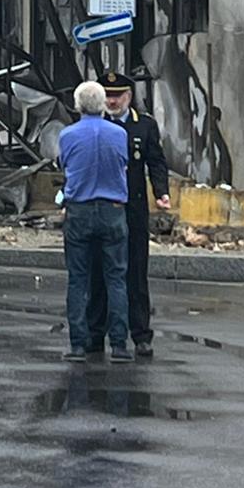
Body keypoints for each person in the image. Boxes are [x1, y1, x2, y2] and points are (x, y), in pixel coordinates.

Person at [86, 71, 171, 357]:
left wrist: (161, 192)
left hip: (133, 208)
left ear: (129, 97)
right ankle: (95, 333)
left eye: (117, 96)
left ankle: (141, 334)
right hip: (103, 206)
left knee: (135, 272)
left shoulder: (144, 126)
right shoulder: (93, 126)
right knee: (98, 271)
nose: (112, 101)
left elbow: (156, 162)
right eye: (107, 96)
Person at [58, 80, 132, 363]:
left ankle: (79, 343)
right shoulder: (119, 133)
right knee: (116, 279)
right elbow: (123, 163)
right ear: (103, 105)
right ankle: (120, 345)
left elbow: (65, 164)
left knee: (78, 279)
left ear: (77, 106)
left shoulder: (68, 135)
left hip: (80, 209)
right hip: (113, 209)